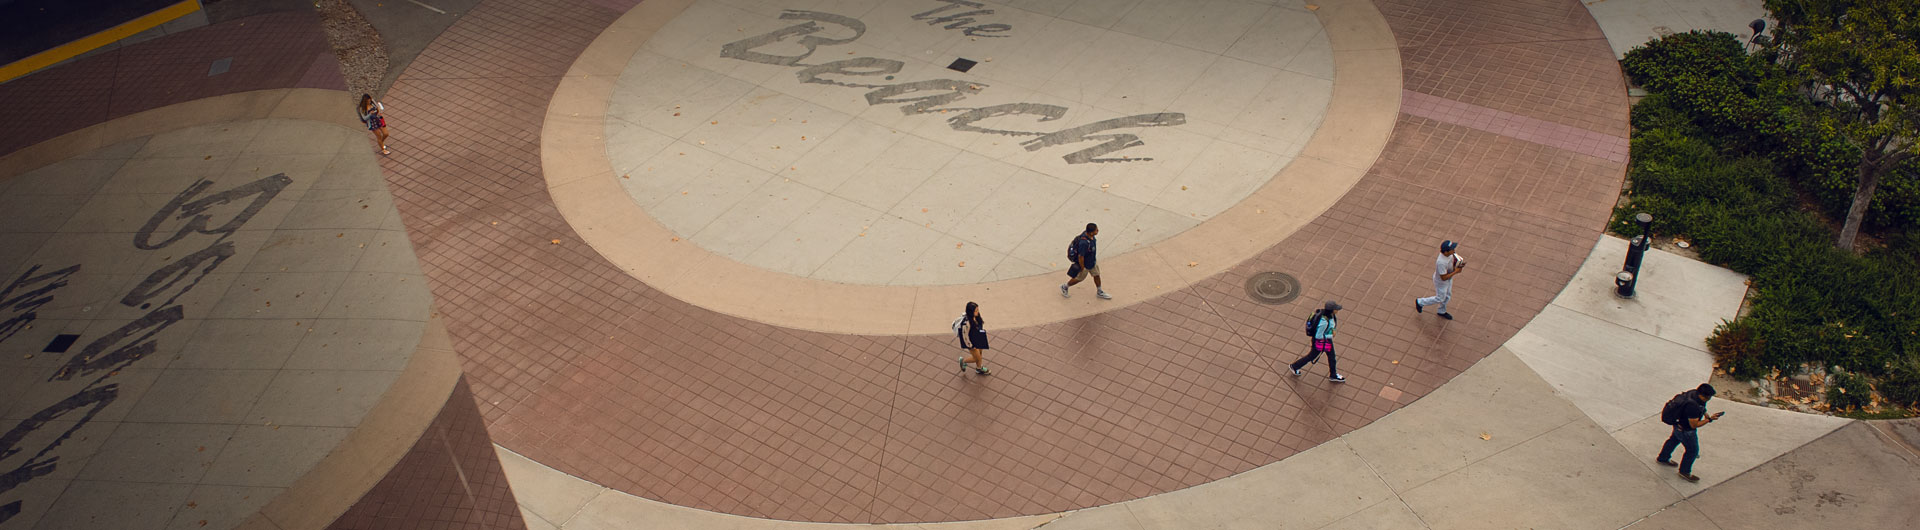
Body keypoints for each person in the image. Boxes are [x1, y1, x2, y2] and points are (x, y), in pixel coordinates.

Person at [1657, 383, 1724, 482]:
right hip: (1686, 431)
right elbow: (1694, 425)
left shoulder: (1693, 393)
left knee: (1673, 441)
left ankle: (1663, 458)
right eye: (1708, 397)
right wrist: (1709, 419)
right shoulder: (1693, 407)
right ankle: (1684, 471)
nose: (1709, 399)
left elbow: (1702, 406)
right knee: (1692, 451)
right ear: (1702, 395)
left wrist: (1705, 413)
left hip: (1678, 425)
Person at [1289, 300, 1345, 382]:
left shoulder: (1330, 316)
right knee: (1312, 356)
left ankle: (1333, 375)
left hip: (1326, 340)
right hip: (1320, 341)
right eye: (1335, 309)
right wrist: (1331, 335)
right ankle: (1294, 366)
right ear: (1331, 310)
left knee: (1331, 357)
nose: (1337, 310)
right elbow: (1318, 336)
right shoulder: (1324, 322)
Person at [1414, 240, 1464, 320]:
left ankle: (1441, 311)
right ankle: (1420, 302)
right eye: (1452, 249)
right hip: (1441, 282)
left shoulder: (1450, 255)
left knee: (1447, 296)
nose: (1454, 250)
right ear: (1446, 252)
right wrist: (1456, 271)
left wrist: (1458, 264)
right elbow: (1443, 277)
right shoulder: (1441, 262)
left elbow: (1454, 261)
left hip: (1448, 278)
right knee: (1440, 298)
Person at [1060, 223, 1111, 300]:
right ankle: (1065, 286)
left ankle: (1099, 291)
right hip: (1085, 264)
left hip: (1092, 261)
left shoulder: (1091, 236)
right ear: (1091, 232)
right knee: (1079, 279)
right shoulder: (1084, 243)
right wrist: (1082, 267)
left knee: (1096, 275)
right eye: (1096, 230)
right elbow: (1081, 256)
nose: (1098, 231)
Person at [955, 302, 990, 375]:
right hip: (972, 342)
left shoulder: (976, 317)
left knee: (979, 354)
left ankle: (979, 368)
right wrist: (970, 346)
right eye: (976, 311)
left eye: (978, 310)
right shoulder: (966, 322)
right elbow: (965, 335)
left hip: (978, 339)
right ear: (971, 312)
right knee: (977, 358)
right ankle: (963, 361)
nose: (977, 312)